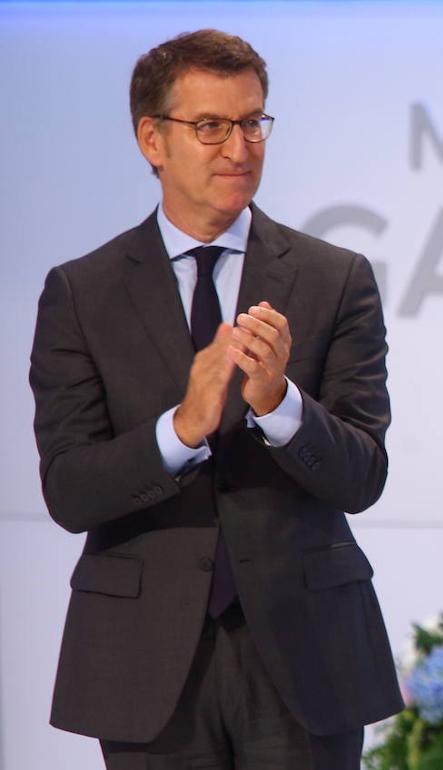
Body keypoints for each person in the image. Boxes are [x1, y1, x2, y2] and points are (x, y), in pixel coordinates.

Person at [29, 29, 401, 768]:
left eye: (253, 122)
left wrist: (281, 406)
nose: (239, 147)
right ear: (152, 139)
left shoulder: (336, 277)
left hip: (306, 652)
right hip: (145, 659)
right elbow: (70, 491)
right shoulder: (82, 293)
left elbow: (363, 475)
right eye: (211, 127)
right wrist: (181, 429)